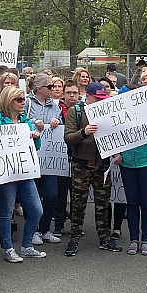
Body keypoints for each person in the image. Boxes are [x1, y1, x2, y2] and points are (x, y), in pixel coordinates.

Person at [63, 82, 122, 257]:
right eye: (96, 98)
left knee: (103, 204)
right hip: (81, 165)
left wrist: (117, 151)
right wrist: (84, 132)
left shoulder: (108, 112)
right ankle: (74, 239)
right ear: (87, 96)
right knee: (78, 204)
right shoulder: (76, 111)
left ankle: (104, 238)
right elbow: (68, 138)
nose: (99, 102)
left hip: (103, 165)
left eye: (102, 99)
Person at [0, 86, 47, 263]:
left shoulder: (25, 121)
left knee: (37, 210)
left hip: (24, 172)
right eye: (19, 100)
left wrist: (36, 138)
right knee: (6, 212)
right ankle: (8, 248)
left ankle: (26, 246)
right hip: (5, 175)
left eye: (23, 99)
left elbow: (35, 149)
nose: (23, 103)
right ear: (8, 101)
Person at [115, 72, 147, 255]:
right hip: (127, 161)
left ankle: (146, 240)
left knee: (146, 202)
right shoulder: (121, 113)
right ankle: (134, 239)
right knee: (132, 201)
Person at [23, 74, 63, 246]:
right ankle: (32, 230)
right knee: (33, 197)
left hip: (49, 160)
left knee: (51, 194)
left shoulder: (55, 106)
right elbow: (19, 122)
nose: (53, 88)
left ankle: (45, 229)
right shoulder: (26, 102)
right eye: (49, 86)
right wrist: (33, 122)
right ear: (39, 89)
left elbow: (60, 126)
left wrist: (56, 121)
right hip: (32, 157)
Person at [54, 80, 80, 237]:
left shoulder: (83, 110)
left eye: (74, 93)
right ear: (63, 94)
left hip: (77, 157)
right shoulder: (57, 111)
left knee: (76, 194)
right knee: (60, 193)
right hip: (59, 157)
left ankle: (76, 226)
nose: (71, 95)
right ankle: (58, 224)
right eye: (68, 92)